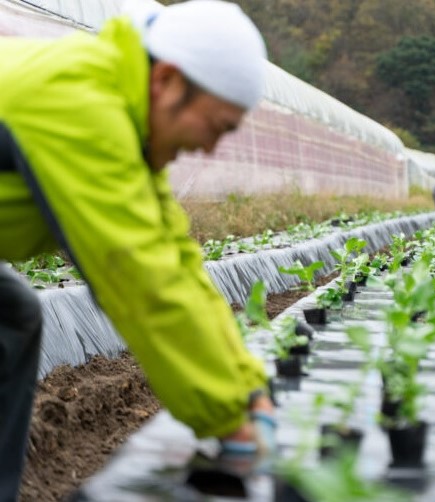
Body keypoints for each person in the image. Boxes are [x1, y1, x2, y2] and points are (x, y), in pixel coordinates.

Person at [0, 2, 275, 500]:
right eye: (215, 125)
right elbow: (141, 281)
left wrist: (248, 387)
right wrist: (229, 419)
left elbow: (176, 261)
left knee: (12, 311)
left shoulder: (118, 108)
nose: (211, 148)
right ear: (167, 81)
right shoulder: (82, 106)